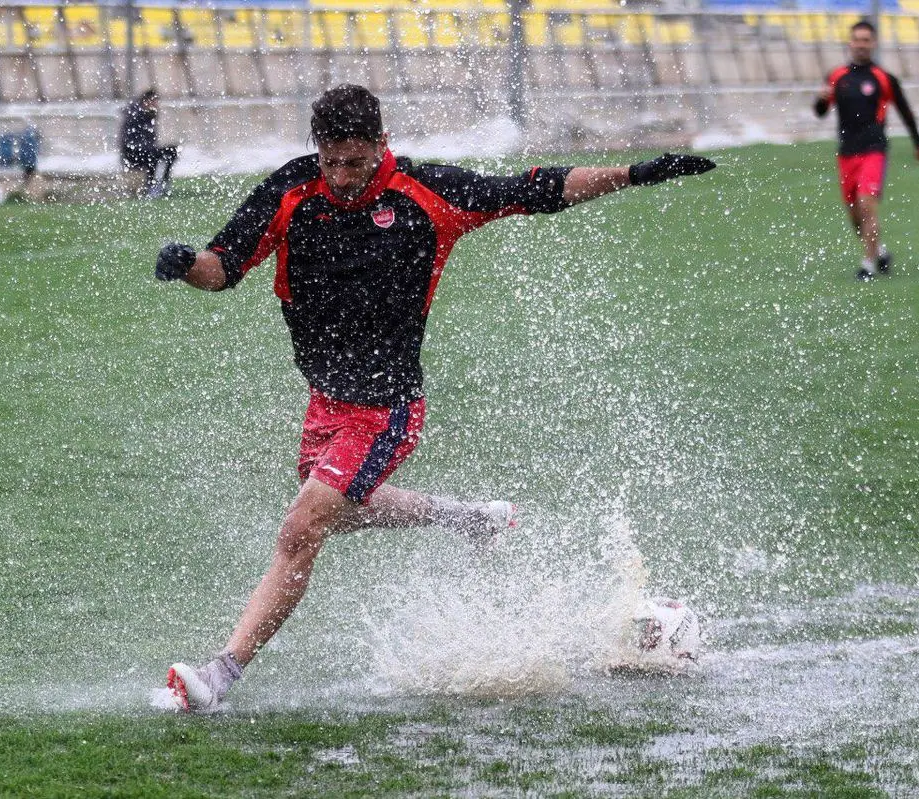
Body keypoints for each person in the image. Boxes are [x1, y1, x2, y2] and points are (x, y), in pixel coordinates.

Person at [154, 84, 716, 712]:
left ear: (380, 145)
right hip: (325, 402)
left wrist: (634, 173)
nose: (340, 176)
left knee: (301, 528)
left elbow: (535, 188)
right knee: (342, 510)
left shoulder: (427, 192)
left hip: (386, 405)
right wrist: (186, 264)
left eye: (354, 161)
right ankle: (470, 518)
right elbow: (223, 268)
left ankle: (218, 676)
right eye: (329, 160)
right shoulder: (290, 192)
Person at [814, 19, 919, 281]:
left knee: (866, 205)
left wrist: (918, 143)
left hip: (874, 150)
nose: (862, 45)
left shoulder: (884, 78)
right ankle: (880, 252)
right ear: (850, 43)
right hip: (846, 153)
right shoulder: (836, 76)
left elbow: (905, 111)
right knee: (854, 217)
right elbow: (820, 111)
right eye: (857, 40)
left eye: (866, 40)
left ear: (873, 44)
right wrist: (819, 101)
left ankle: (867, 265)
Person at [119, 89, 179, 199]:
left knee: (172, 151)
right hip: (133, 153)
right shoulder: (136, 114)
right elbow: (129, 140)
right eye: (154, 101)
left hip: (144, 149)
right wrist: (149, 147)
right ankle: (151, 186)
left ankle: (164, 183)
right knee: (152, 155)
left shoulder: (149, 114)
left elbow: (149, 138)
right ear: (147, 101)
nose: (157, 105)